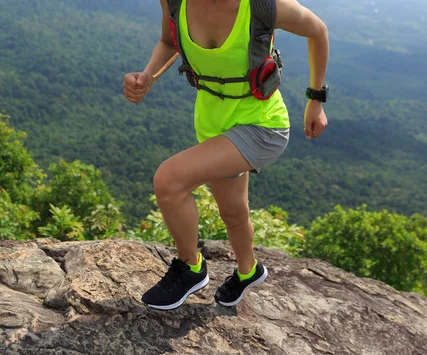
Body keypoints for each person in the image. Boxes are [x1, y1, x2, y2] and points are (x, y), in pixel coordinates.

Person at [123, 0, 329, 310]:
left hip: (262, 126)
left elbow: (318, 31)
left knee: (169, 180)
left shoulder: (265, 6)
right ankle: (249, 271)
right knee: (232, 211)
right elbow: (170, 40)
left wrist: (315, 100)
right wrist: (149, 74)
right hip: (213, 124)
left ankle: (190, 267)